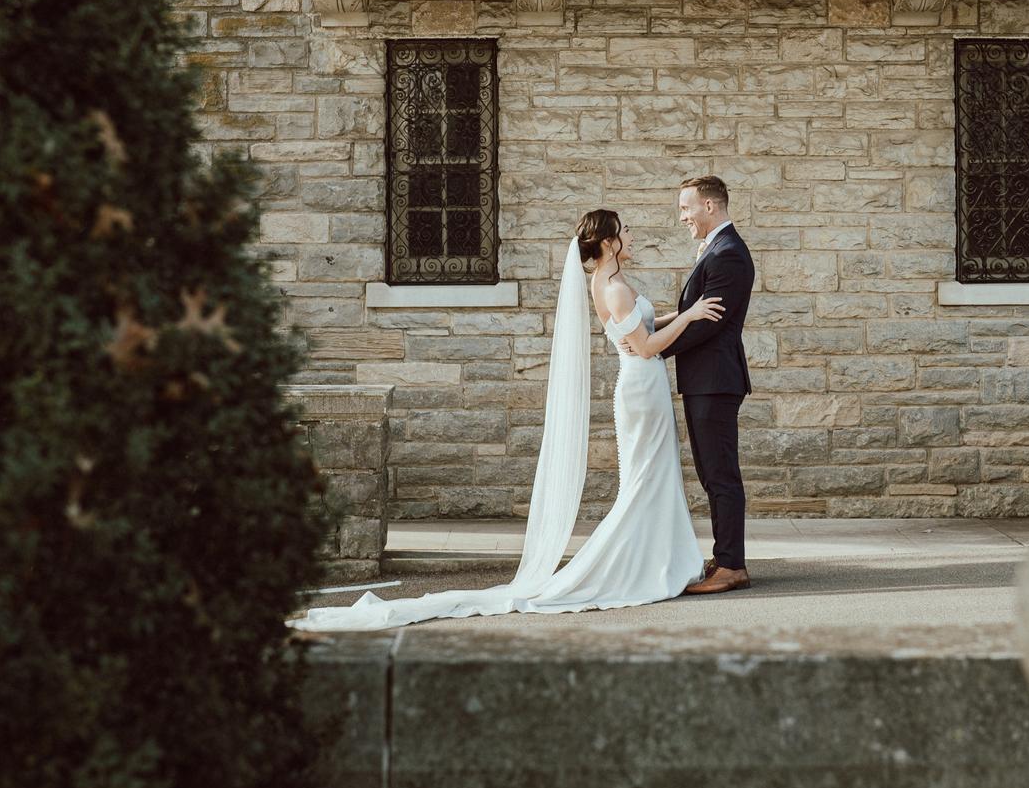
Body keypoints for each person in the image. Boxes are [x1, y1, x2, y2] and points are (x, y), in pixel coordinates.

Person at [295, 209, 718, 631]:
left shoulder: (607, 282)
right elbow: (644, 348)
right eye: (626, 229)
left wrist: (677, 317)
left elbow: (640, 329)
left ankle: (663, 558)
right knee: (646, 478)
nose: (632, 233)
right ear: (609, 241)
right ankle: (642, 565)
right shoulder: (614, 287)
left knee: (654, 474)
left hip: (644, 388)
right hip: (642, 387)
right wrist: (690, 315)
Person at [668, 175, 756, 594]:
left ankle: (732, 566)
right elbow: (692, 315)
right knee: (711, 471)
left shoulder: (729, 255)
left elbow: (708, 323)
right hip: (705, 379)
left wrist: (652, 349)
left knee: (721, 474)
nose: (682, 216)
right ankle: (724, 555)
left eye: (686, 208)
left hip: (715, 380)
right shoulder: (717, 250)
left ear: (709, 206)